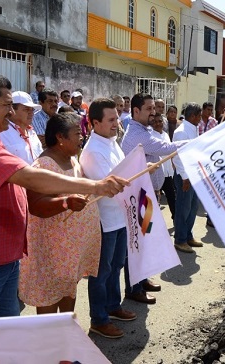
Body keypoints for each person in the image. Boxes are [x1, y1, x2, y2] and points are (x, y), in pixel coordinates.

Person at [0, 73, 130, 363]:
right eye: (7, 105)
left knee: (0, 344)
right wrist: (94, 186)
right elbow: (29, 176)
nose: (12, 113)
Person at [19, 113, 101, 315]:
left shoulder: (72, 160)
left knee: (68, 290)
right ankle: (49, 343)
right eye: (76, 133)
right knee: (49, 293)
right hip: (52, 251)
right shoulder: (44, 165)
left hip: (69, 253)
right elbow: (37, 204)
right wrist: (66, 202)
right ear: (60, 138)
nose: (82, 136)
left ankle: (65, 334)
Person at [121, 93, 189, 304]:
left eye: (154, 108)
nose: (154, 112)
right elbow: (165, 149)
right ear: (136, 111)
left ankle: (141, 281)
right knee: (137, 244)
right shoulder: (137, 134)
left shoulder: (145, 130)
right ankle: (134, 288)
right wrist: (196, 143)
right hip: (138, 196)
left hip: (148, 193)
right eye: (149, 109)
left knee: (145, 241)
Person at [79, 98, 138, 339]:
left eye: (117, 118)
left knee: (116, 267)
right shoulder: (93, 151)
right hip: (105, 222)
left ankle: (113, 306)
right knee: (101, 272)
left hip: (120, 218)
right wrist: (137, 179)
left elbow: (125, 173)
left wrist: (143, 171)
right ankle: (98, 319)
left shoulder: (112, 143)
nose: (117, 123)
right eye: (111, 119)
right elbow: (110, 188)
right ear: (95, 123)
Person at [172, 102, 203, 253]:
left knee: (193, 207)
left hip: (194, 174)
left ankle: (188, 235)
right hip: (184, 176)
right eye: (199, 116)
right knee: (183, 208)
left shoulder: (193, 129)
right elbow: (177, 157)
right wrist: (185, 177)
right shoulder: (181, 131)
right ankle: (180, 240)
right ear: (192, 116)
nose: (201, 119)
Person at [0, 91, 43, 164]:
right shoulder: (2, 133)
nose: (31, 113)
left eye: (32, 109)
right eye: (26, 109)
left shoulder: (32, 133)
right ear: (12, 110)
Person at [151, 113, 176, 220]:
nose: (158, 124)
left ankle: (176, 219)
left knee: (172, 198)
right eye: (155, 121)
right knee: (154, 201)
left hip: (167, 173)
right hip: (156, 174)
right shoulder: (150, 136)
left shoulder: (165, 135)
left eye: (160, 121)